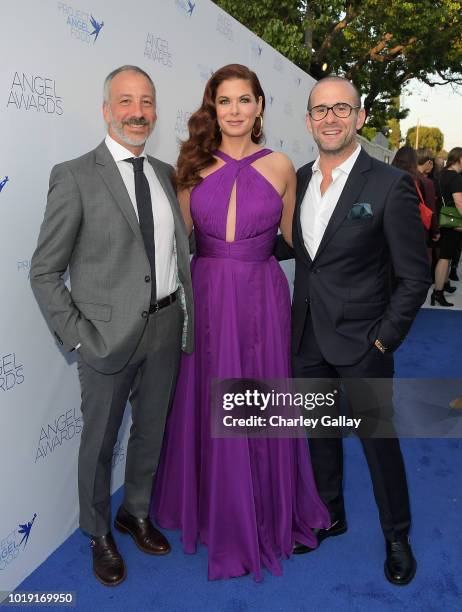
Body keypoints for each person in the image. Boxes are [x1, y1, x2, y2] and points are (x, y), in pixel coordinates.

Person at [151, 64, 330, 581]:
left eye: (243, 100)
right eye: (224, 101)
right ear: (214, 108)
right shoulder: (192, 165)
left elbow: (299, 242)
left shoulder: (281, 166)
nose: (234, 110)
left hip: (260, 297)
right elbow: (175, 240)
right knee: (205, 397)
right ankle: (211, 510)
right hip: (206, 294)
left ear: (259, 107)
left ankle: (265, 510)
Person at [30, 65, 194, 587]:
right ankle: (99, 531)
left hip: (166, 326)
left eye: (146, 102)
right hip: (104, 338)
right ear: (106, 110)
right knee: (100, 442)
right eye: (126, 101)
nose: (137, 112)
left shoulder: (166, 174)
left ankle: (135, 512)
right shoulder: (75, 174)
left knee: (151, 432)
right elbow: (44, 270)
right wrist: (78, 335)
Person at [288, 76, 431, 585]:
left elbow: (415, 276)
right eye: (321, 110)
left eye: (341, 109)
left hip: (365, 341)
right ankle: (330, 513)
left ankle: (397, 534)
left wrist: (384, 338)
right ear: (308, 120)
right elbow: (299, 253)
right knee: (319, 432)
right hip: (306, 336)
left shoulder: (388, 184)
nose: (330, 118)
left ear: (360, 117)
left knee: (378, 440)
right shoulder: (297, 181)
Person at [432, 147, 462, 306]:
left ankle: (440, 289)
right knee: (445, 258)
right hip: (453, 223)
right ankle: (438, 292)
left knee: (445, 256)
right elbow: (459, 202)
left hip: (442, 220)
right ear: (460, 159)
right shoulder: (456, 178)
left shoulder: (441, 175)